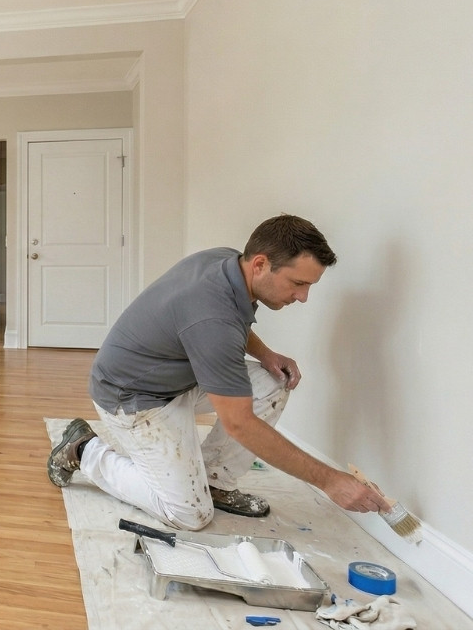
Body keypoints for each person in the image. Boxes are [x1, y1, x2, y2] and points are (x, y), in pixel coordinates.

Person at [47, 214, 390, 530]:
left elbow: (227, 324)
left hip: (177, 376)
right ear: (260, 264)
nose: (302, 297)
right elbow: (239, 421)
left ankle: (214, 481)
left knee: (274, 382)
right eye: (298, 283)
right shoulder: (212, 316)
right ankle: (84, 449)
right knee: (189, 515)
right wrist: (329, 480)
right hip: (133, 397)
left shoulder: (227, 262)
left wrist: (265, 354)